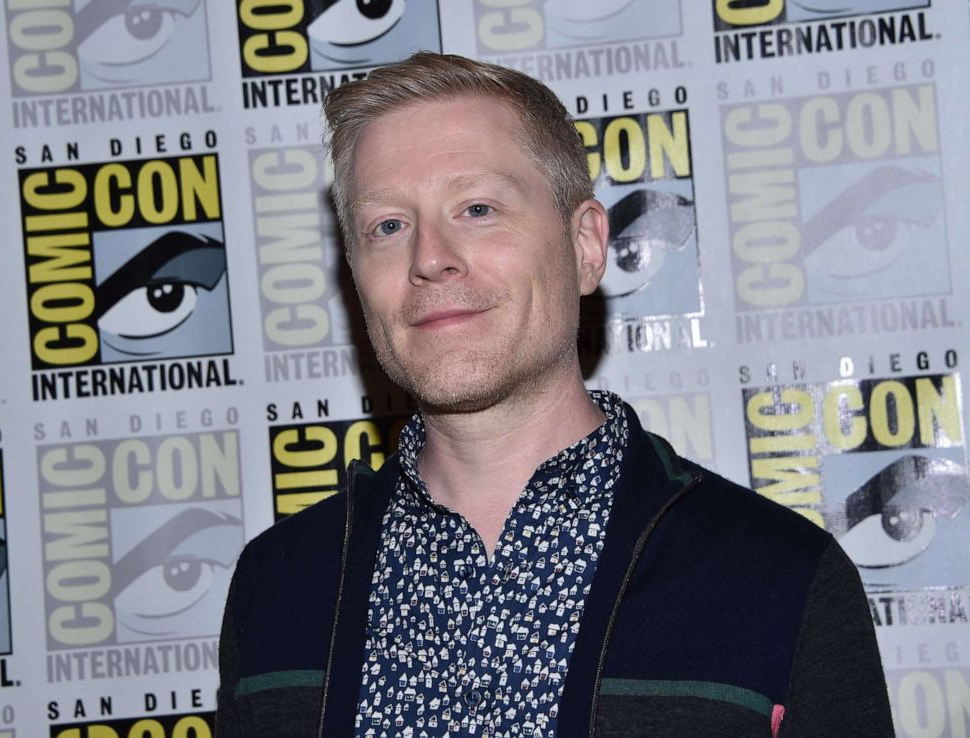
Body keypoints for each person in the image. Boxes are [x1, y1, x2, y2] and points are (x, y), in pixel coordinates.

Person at [215, 52, 893, 737]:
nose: (428, 257)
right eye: (388, 225)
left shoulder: (777, 577)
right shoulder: (277, 587)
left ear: (587, 246)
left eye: (477, 208)